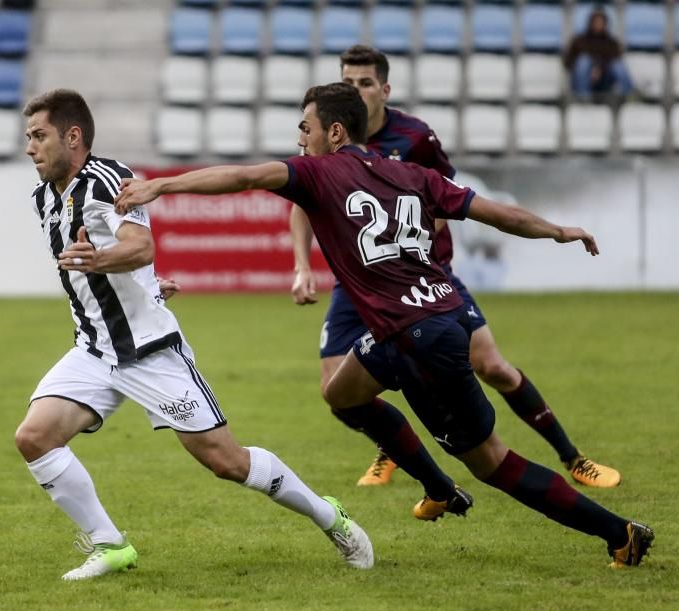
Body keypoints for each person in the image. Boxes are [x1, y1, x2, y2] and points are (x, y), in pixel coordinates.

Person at [114, 82, 654, 568]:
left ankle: (619, 533)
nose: (300, 141)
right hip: (417, 326)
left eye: (305, 129)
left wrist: (163, 188)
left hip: (422, 338)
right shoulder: (412, 175)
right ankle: (438, 484)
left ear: (335, 131)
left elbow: (245, 176)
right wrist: (557, 230)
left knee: (493, 463)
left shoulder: (317, 172)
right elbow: (495, 212)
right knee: (342, 393)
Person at [14, 88, 373, 581]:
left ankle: (328, 514)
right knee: (35, 437)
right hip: (95, 351)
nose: (30, 147)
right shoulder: (44, 198)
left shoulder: (108, 181)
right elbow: (115, 270)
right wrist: (143, 284)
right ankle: (110, 545)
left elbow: (139, 246)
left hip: (150, 353)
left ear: (72, 137)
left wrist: (110, 263)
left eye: (39, 136)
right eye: (27, 137)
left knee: (226, 461)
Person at [291, 46, 620, 491]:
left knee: (493, 366)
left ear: (384, 89)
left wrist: (412, 242)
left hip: (425, 282)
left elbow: (445, 194)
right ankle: (404, 454)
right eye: (348, 82)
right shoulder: (327, 144)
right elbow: (302, 202)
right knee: (338, 391)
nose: (356, 90)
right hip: (359, 285)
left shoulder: (415, 138)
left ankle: (573, 458)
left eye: (365, 82)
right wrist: (301, 265)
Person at [563, 6, 634, 102]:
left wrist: (599, 69)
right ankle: (583, 98)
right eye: (596, 21)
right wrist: (588, 68)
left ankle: (630, 95)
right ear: (590, 22)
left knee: (617, 64)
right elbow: (567, 62)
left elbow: (616, 62)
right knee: (584, 61)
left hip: (604, 81)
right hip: (581, 81)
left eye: (601, 22)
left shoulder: (611, 43)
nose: (598, 24)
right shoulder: (579, 41)